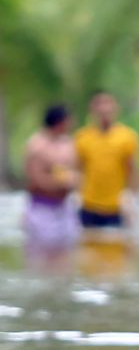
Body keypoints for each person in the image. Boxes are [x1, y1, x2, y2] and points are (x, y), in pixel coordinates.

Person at [74, 93, 139, 228]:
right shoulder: (82, 137)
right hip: (89, 205)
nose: (104, 109)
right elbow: (78, 170)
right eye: (99, 104)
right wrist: (76, 196)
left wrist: (133, 198)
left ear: (116, 108)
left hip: (116, 207)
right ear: (92, 109)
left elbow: (132, 169)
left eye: (108, 103)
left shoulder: (127, 137)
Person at [22, 105, 80, 247]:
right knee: (42, 256)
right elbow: (36, 179)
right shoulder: (36, 145)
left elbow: (73, 171)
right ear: (60, 122)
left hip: (64, 208)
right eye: (69, 120)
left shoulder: (68, 144)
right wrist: (61, 181)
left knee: (67, 257)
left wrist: (74, 179)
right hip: (42, 209)